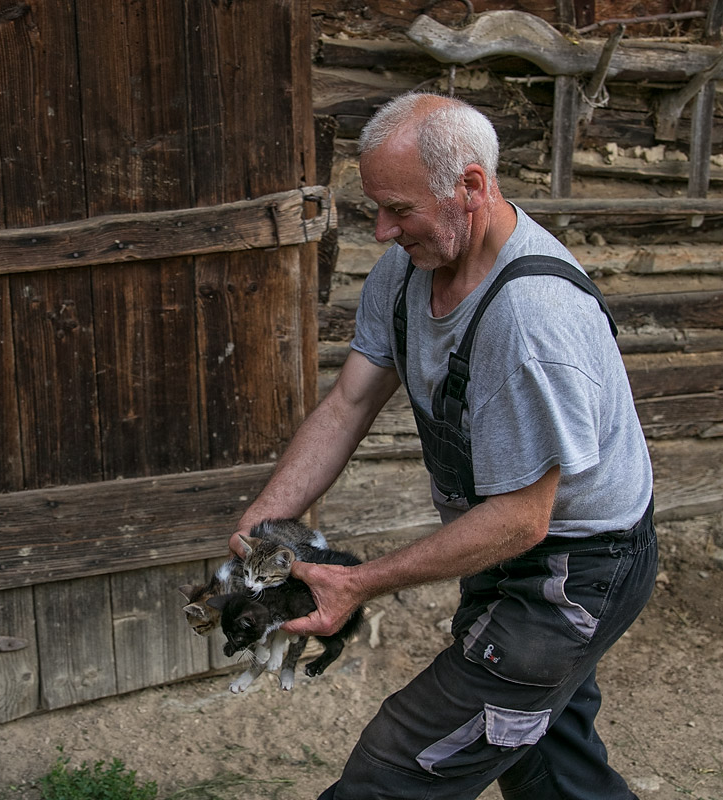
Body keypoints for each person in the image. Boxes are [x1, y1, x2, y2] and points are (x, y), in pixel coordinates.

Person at [228, 92, 657, 799]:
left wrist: (358, 582)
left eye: (399, 209)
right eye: (376, 208)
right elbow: (349, 403)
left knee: (397, 768)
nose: (381, 230)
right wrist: (265, 519)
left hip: (578, 568)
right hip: (499, 548)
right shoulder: (408, 271)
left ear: (472, 187)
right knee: (547, 766)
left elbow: (522, 518)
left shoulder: (532, 321)